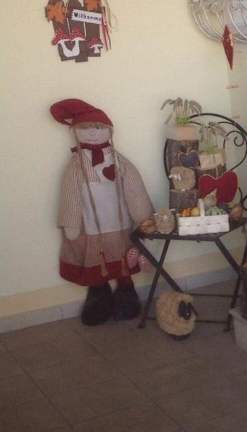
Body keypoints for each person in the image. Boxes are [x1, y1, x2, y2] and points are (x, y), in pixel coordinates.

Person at [51, 99, 154, 325]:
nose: (92, 133)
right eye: (85, 128)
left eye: (98, 127)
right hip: (89, 226)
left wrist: (143, 217)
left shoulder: (119, 162)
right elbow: (70, 194)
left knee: (123, 258)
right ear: (75, 132)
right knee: (95, 262)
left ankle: (126, 292)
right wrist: (71, 222)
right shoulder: (76, 166)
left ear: (109, 131)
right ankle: (98, 295)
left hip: (119, 224)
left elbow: (134, 189)